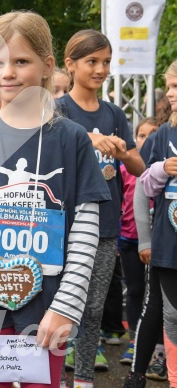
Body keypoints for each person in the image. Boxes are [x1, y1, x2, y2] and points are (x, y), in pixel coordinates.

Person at [0, 11, 111, 388]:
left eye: (21, 61)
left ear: (47, 65)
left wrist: (66, 307)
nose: (8, 72)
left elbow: (85, 233)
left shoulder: (73, 140)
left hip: (48, 311)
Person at [57, 29, 145, 388]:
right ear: (70, 64)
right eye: (92, 61)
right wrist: (88, 138)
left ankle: (82, 380)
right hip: (62, 226)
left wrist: (124, 153)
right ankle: (48, 375)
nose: (100, 69)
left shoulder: (113, 113)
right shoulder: (58, 109)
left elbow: (138, 168)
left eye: (106, 62)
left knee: (93, 309)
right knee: (60, 305)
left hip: (106, 228)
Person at [140, 59, 177, 388]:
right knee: (172, 315)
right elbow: (144, 186)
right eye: (170, 86)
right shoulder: (163, 134)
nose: (171, 93)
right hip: (169, 244)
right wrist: (163, 168)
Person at [117, 117, 158, 364]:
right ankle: (134, 341)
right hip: (128, 239)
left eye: (152, 134)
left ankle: (158, 348)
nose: (146, 140)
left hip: (156, 243)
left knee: (156, 299)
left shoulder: (161, 168)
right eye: (141, 135)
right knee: (134, 291)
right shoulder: (125, 169)